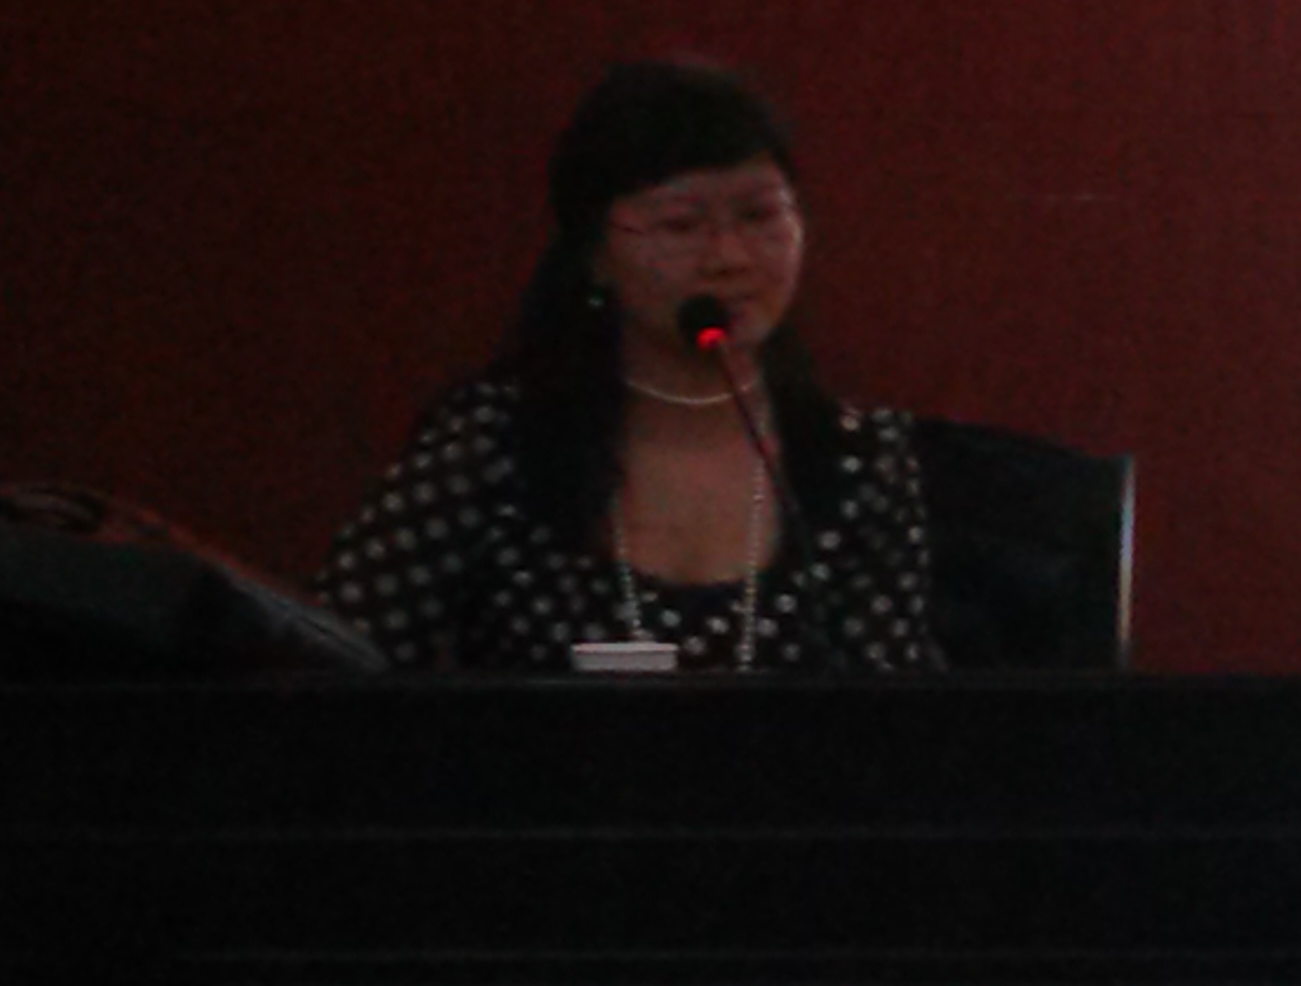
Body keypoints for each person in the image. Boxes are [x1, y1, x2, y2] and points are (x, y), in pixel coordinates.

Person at [323, 59, 940, 671]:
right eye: (682, 225)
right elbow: (334, 654)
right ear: (595, 255)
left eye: (759, 216)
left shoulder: (857, 459)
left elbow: (896, 700)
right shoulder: (496, 443)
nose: (729, 258)